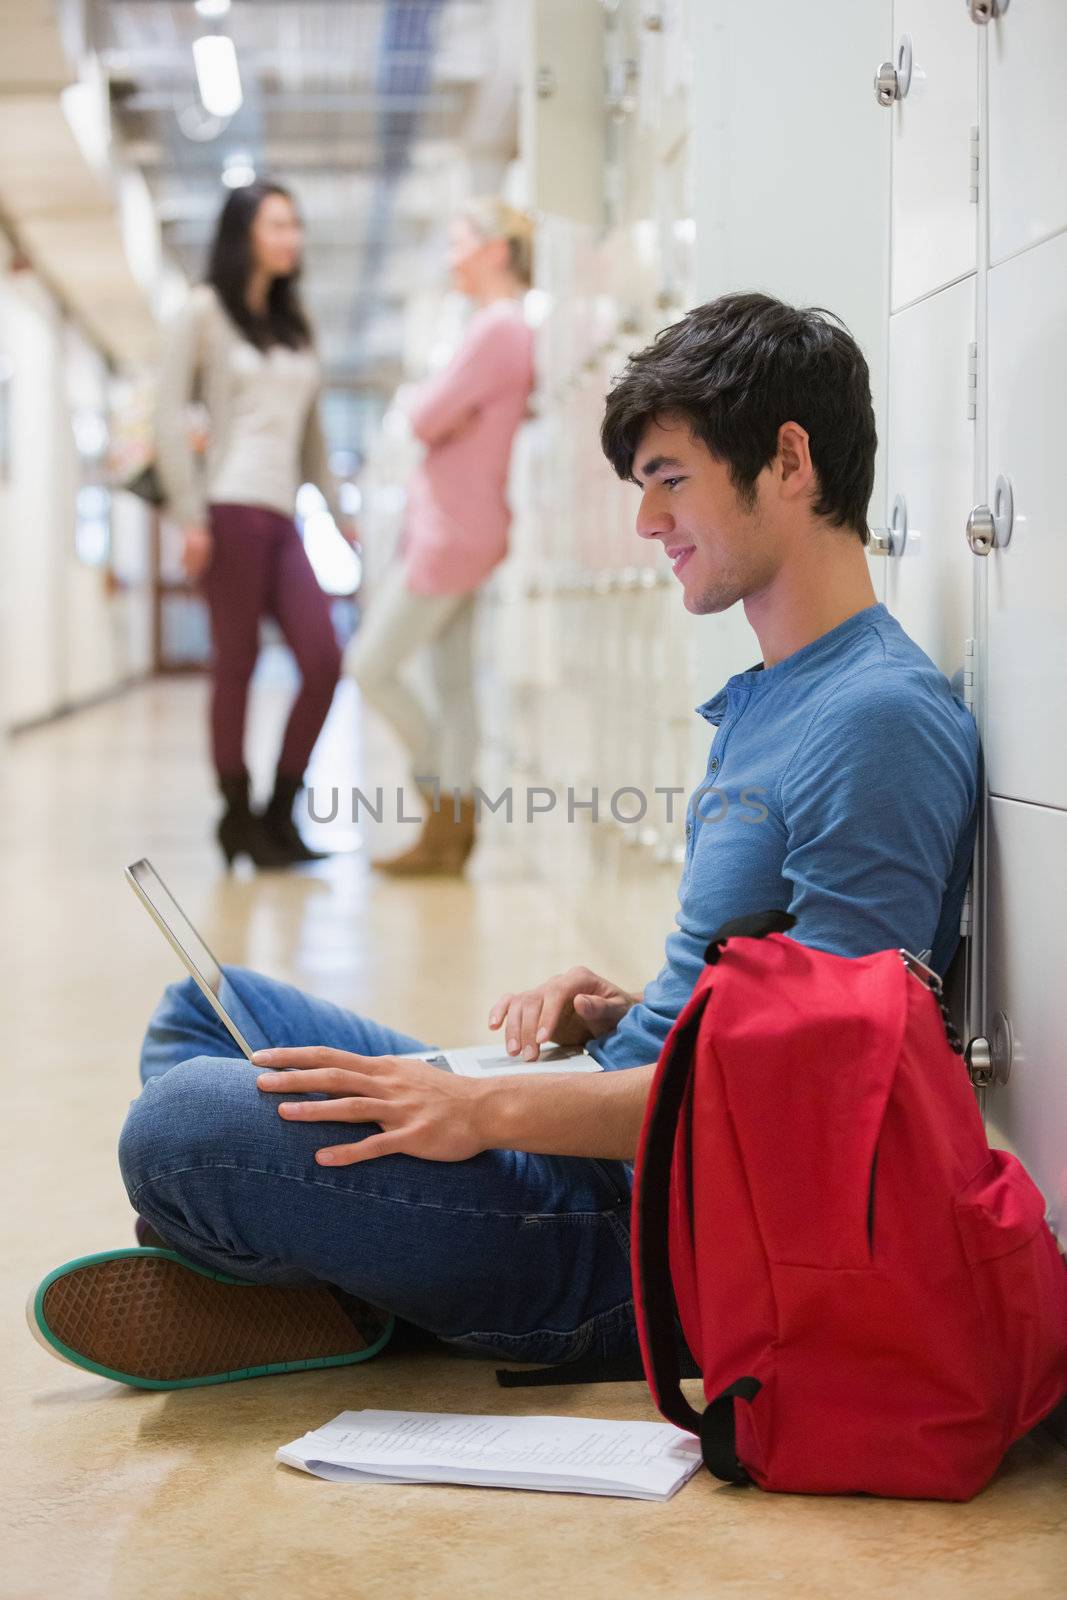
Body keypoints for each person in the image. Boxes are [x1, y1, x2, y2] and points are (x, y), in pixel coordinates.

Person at [31, 294, 978, 1387]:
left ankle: (343, 1280)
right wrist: (625, 1013)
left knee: (181, 1129)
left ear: (788, 460)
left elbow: (820, 1096)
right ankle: (342, 1274)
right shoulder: (782, 693)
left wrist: (481, 1106)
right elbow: (772, 1000)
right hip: (607, 1122)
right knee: (205, 1010)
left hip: (632, 1239)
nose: (643, 522)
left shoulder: (877, 720)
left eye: (669, 478)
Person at [155, 180, 358, 869]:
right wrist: (188, 515)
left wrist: (337, 513)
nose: (291, 238)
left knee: (324, 660)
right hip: (228, 507)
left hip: (282, 513)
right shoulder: (204, 312)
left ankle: (280, 812)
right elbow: (167, 417)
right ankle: (235, 816)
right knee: (236, 664)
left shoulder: (294, 321)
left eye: (295, 226)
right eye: (277, 225)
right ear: (243, 233)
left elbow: (312, 437)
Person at [346, 198, 536, 875]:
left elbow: (424, 417)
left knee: (369, 666)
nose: (452, 257)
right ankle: (449, 838)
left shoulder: (497, 330)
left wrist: (433, 416)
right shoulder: (498, 330)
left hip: (451, 534)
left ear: (493, 251)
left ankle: (443, 800)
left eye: (459, 242)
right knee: (453, 686)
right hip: (466, 527)